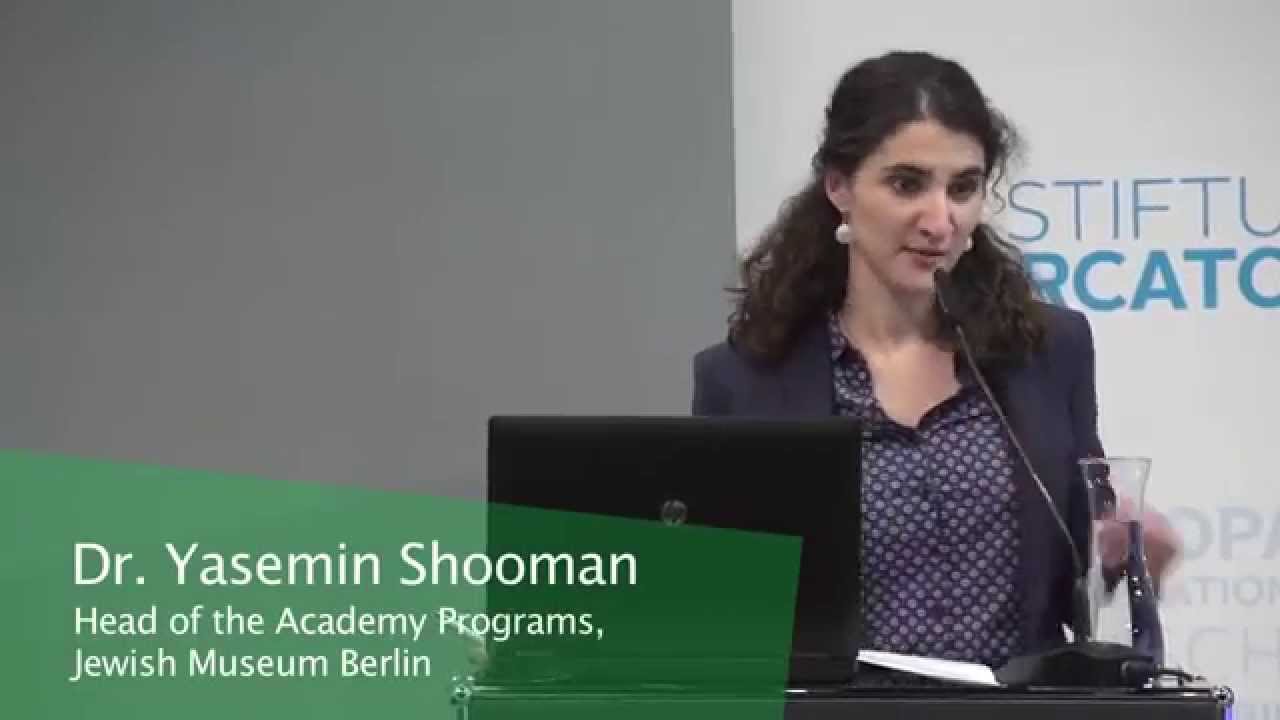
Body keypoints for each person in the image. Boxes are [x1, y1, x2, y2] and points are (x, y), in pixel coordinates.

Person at [691, 51, 1180, 668]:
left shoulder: (1048, 352)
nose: (940, 220)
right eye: (906, 184)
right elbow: (725, 617)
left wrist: (1126, 563)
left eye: (963, 188)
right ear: (840, 187)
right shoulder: (743, 381)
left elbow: (1079, 593)